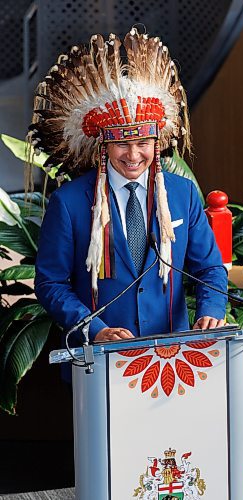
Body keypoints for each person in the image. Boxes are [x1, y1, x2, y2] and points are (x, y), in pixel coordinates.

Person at [30, 28, 228, 354]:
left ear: (156, 142)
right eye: (122, 143)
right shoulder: (69, 203)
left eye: (142, 143)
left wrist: (211, 311)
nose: (134, 155)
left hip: (172, 356)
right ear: (103, 147)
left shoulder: (183, 194)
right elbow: (51, 283)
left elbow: (209, 268)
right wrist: (94, 329)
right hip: (98, 360)